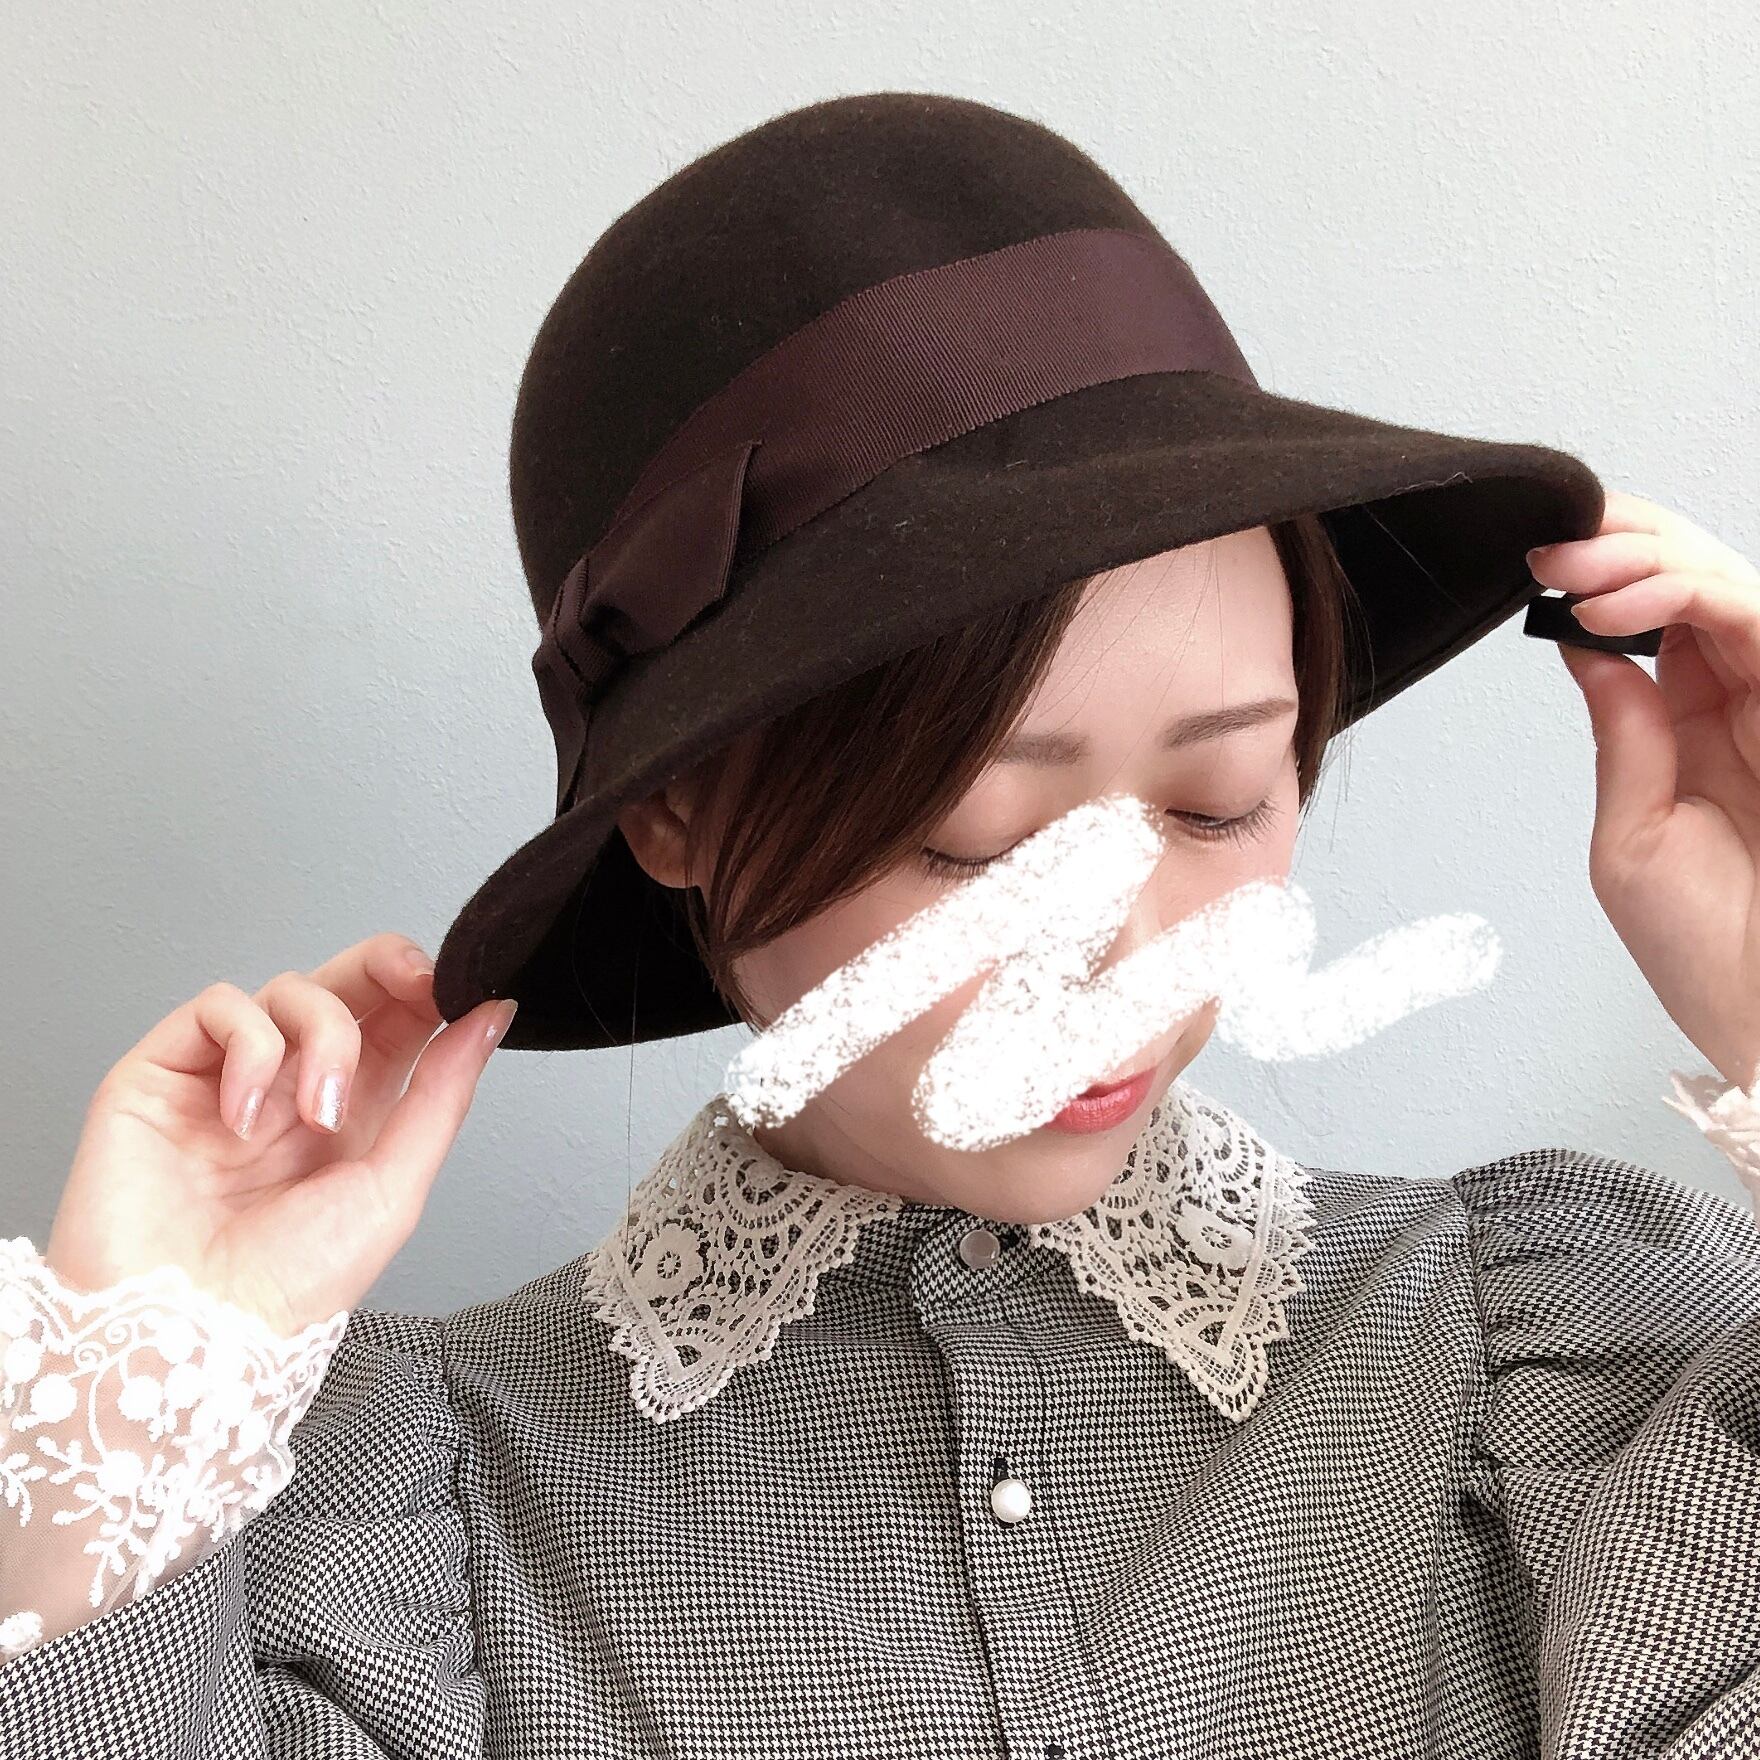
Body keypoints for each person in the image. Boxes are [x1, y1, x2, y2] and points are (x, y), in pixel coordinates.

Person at [6, 90, 1760, 1760]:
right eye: (975, 842)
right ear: (677, 814)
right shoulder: (423, 1511)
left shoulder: (1534, 1348)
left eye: (1222, 802)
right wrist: (119, 1422)